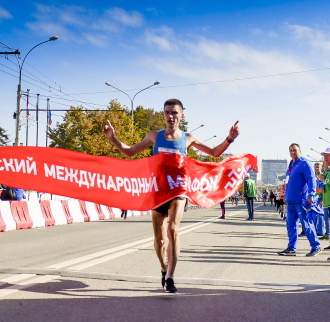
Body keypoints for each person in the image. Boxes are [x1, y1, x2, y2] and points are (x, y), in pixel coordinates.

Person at [103, 98, 240, 293]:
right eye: (167, 112)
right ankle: (163, 268)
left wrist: (230, 139)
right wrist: (112, 138)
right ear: (164, 115)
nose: (170, 116)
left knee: (173, 231)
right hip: (158, 191)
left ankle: (170, 278)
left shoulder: (188, 138)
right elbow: (130, 152)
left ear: (181, 116)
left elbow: (214, 153)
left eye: (174, 112)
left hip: (178, 190)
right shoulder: (154, 136)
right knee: (159, 240)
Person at [278, 144, 322, 257]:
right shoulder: (291, 164)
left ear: (300, 151)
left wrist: (311, 194)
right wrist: (285, 195)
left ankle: (316, 246)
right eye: (291, 150)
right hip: (291, 200)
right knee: (291, 225)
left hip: (302, 200)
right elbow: (288, 182)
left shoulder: (304, 162)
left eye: (295, 150)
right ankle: (291, 248)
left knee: (306, 224)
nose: (293, 152)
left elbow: (311, 178)